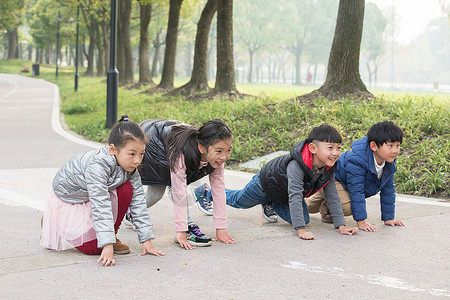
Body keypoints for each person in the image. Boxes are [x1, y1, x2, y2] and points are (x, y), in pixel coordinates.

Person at [195, 124, 358, 240]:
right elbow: (295, 196)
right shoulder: (297, 166)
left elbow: (332, 196)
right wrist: (300, 230)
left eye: (338, 148)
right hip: (266, 183)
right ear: (313, 149)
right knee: (240, 201)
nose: (335, 153)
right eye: (330, 148)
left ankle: (271, 203)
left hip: (281, 193)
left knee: (305, 219)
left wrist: (341, 226)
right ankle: (207, 192)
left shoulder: (329, 168)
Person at [40, 116, 165, 267]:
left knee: (127, 189)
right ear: (112, 149)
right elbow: (101, 205)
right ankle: (54, 219)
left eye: (141, 154)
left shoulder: (130, 168)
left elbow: (138, 203)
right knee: (93, 249)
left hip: (89, 194)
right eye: (132, 154)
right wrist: (107, 245)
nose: (137, 160)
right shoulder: (97, 167)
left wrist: (147, 241)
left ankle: (113, 235)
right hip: (70, 198)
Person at [134, 118, 235, 250]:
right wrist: (180, 231)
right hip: (153, 146)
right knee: (157, 192)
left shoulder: (216, 159)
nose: (224, 157)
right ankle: (186, 227)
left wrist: (221, 227)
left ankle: (133, 212)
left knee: (160, 192)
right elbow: (178, 190)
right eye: (219, 151)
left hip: (169, 145)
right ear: (202, 148)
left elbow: (219, 191)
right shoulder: (181, 154)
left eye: (228, 150)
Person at [306, 120, 405, 232]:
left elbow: (388, 190)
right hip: (334, 179)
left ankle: (319, 202)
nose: (395, 151)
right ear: (373, 146)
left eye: (398, 146)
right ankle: (322, 202)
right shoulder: (358, 160)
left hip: (345, 184)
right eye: (390, 145)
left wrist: (388, 219)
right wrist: (361, 222)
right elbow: (356, 190)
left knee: (308, 206)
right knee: (347, 207)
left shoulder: (389, 162)